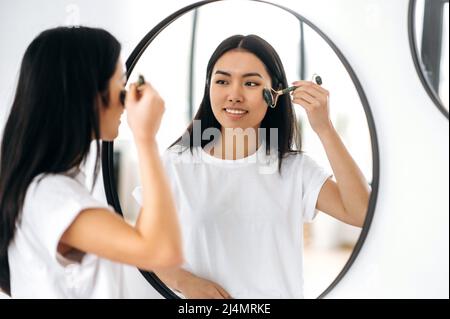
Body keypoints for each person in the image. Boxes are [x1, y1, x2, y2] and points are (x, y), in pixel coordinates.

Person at [133, 34, 371, 299]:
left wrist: (324, 128)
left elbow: (362, 213)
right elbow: (143, 242)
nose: (234, 95)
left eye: (250, 83)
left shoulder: (294, 169)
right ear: (209, 87)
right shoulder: (177, 163)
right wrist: (185, 281)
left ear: (274, 93)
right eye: (222, 81)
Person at [0, 26, 183, 298]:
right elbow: (162, 251)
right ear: (87, 93)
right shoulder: (49, 195)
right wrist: (146, 139)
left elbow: (149, 240)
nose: (125, 100)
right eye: (120, 83)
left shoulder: (53, 188)